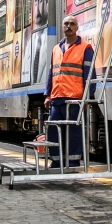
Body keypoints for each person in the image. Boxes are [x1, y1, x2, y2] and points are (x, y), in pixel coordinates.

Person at [43, 14, 94, 167]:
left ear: (77, 27)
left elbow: (90, 75)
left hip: (75, 98)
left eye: (72, 24)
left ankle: (72, 161)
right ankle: (57, 161)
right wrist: (47, 95)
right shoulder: (56, 49)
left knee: (73, 131)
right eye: (66, 24)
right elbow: (51, 73)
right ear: (62, 27)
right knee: (54, 129)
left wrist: (88, 96)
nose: (69, 26)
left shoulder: (86, 48)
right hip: (57, 97)